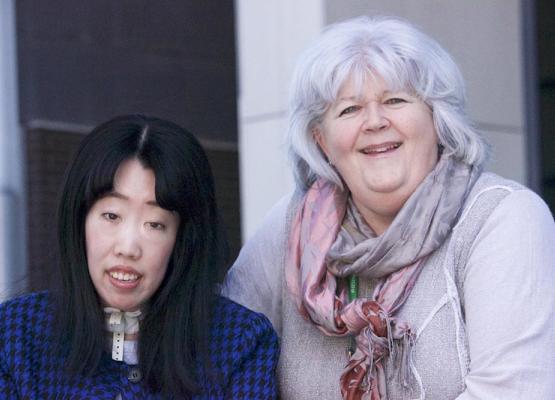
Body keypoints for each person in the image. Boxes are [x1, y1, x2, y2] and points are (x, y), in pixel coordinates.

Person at [222, 16, 555, 399]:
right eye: (349, 110)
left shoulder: (501, 218)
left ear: (438, 119)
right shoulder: (291, 228)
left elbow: (513, 391)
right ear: (322, 141)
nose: (375, 122)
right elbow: (221, 351)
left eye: (395, 100)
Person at [0, 115, 279, 399]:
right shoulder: (15, 335)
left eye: (155, 224)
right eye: (111, 216)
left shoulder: (240, 343)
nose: (128, 247)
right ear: (79, 220)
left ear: (183, 239)